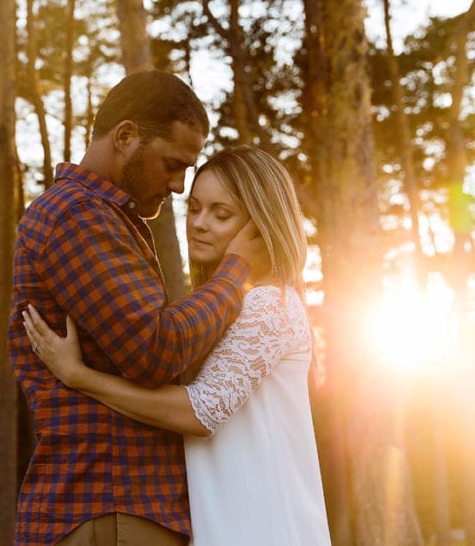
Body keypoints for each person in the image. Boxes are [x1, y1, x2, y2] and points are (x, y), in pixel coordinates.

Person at [23, 146, 332, 546]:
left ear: (259, 227)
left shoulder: (270, 303)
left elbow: (199, 413)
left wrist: (79, 376)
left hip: (265, 525)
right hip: (226, 523)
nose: (199, 224)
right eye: (195, 208)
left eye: (222, 215)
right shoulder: (226, 306)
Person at [8, 70, 267, 546]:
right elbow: (156, 349)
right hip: (112, 504)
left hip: (115, 507)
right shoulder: (78, 216)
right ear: (125, 137)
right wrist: (237, 272)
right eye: (171, 163)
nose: (176, 185)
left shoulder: (98, 218)